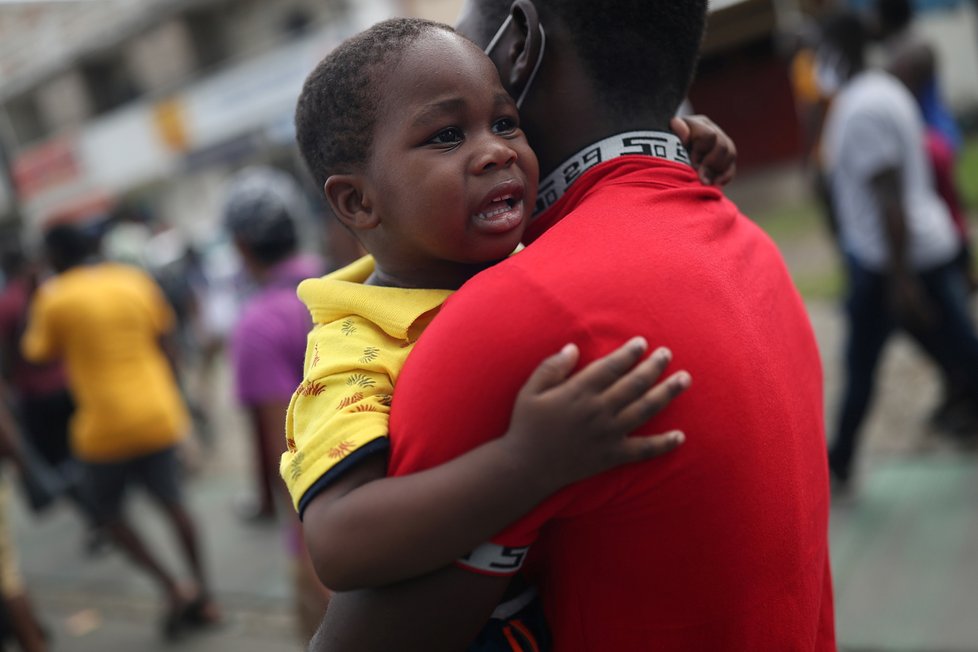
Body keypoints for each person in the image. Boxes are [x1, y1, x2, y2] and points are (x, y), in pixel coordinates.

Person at [308, 1, 835, 650]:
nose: (496, 152)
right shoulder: (353, 348)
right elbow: (336, 543)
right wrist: (525, 466)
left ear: (520, 44)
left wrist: (675, 140)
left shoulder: (514, 293)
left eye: (505, 122)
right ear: (357, 201)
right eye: (446, 136)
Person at [19, 224, 220, 641]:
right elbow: (165, 340)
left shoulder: (56, 297)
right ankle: (205, 592)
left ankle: (172, 588)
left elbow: (36, 353)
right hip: (157, 413)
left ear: (54, 257)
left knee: (107, 514)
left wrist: (40, 292)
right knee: (175, 505)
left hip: (103, 429)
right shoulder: (132, 280)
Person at [819, 10, 978, 488]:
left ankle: (841, 460)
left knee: (868, 364)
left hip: (891, 262)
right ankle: (842, 458)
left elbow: (888, 195)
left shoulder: (862, 107)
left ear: (838, 48)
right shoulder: (883, 90)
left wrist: (901, 278)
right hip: (911, 254)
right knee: (954, 350)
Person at [221, 166, 331, 639]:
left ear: (242, 245)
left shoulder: (257, 325)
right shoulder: (340, 281)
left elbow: (282, 449)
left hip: (323, 523)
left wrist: (307, 554)